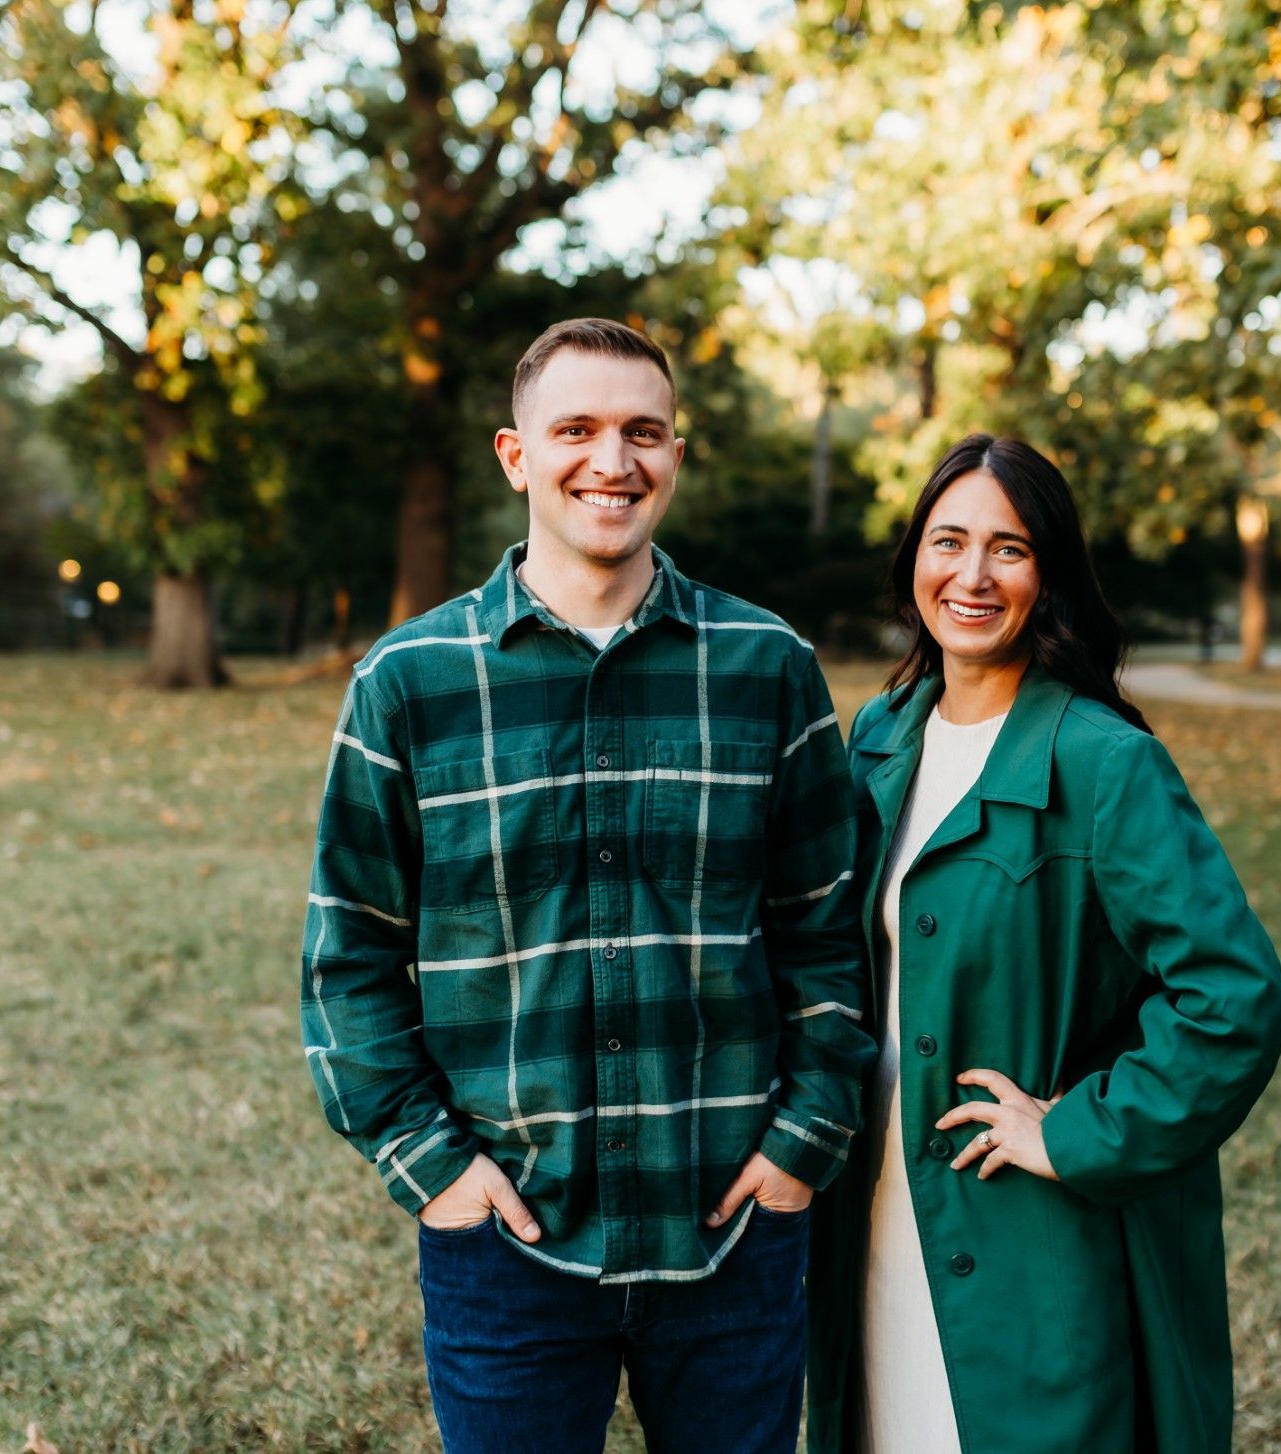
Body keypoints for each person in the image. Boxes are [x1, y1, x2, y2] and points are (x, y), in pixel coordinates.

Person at [300, 318, 872, 1454]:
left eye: (643, 431)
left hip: (733, 1230)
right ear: (517, 455)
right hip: (505, 1238)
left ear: (673, 453)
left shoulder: (769, 668)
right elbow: (350, 955)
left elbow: (826, 931)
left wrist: (802, 1145)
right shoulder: (410, 682)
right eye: (578, 429)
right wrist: (438, 1170)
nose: (613, 459)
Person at [806, 434, 1281, 1454]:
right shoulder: (880, 736)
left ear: (1051, 576)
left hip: (1030, 1234)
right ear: (913, 563)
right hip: (877, 1212)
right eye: (948, 541)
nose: (971, 575)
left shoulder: (1106, 764)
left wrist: (1072, 1132)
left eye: (1009, 549)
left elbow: (1232, 1002)